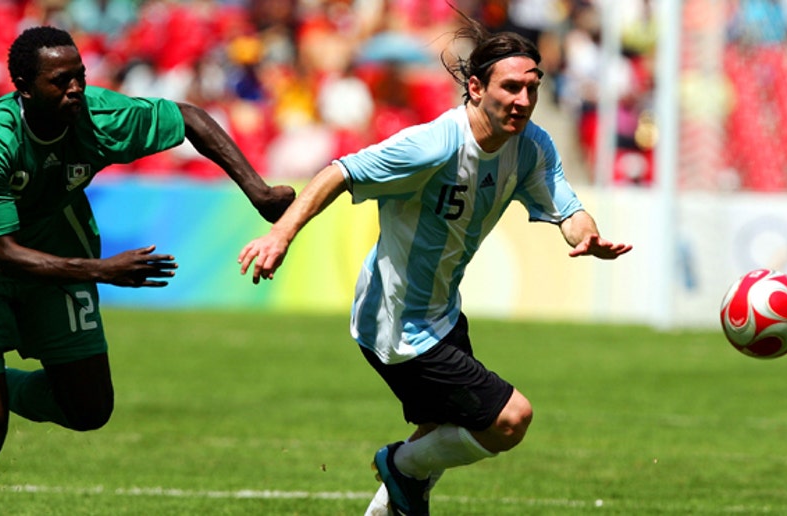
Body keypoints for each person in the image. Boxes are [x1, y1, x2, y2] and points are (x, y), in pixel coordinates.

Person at [238, 13, 632, 516]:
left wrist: (586, 234)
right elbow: (340, 171)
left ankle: (394, 496)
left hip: (442, 314)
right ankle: (398, 466)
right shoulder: (434, 145)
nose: (524, 101)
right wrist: (280, 234)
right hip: (397, 325)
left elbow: (568, 209)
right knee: (510, 419)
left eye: (532, 88)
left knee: (437, 438)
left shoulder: (531, 146)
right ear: (474, 87)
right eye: (511, 87)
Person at [0, 25, 295, 516]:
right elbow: (2, 251)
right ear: (23, 88)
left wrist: (257, 191)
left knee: (90, 410)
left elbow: (191, 118)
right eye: (60, 80)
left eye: (80, 76)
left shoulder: (100, 116)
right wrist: (102, 270)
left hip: (59, 252)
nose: (75, 88)